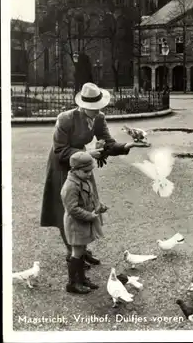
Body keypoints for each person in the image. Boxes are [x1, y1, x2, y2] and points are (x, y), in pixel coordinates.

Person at [40, 82, 138, 269]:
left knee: (86, 203)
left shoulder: (99, 118)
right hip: (62, 165)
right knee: (69, 208)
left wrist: (126, 146)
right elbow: (60, 150)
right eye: (92, 108)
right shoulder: (66, 119)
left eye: (98, 107)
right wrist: (88, 154)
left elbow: (108, 142)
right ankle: (73, 253)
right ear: (82, 105)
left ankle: (81, 251)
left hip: (84, 163)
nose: (96, 110)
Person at [61, 151, 107, 294]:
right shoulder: (71, 186)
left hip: (83, 222)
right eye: (86, 171)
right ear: (75, 170)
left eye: (90, 170)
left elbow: (91, 197)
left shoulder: (83, 180)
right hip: (76, 225)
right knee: (77, 252)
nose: (89, 174)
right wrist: (90, 216)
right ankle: (73, 283)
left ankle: (81, 278)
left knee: (82, 251)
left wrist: (98, 206)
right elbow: (72, 209)